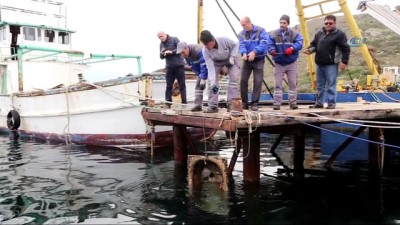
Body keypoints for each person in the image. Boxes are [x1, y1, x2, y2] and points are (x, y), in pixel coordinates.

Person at [303, 14, 350, 109]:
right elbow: (314, 45)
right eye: (326, 23)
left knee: (331, 84)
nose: (328, 25)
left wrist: (344, 62)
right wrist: (309, 50)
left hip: (331, 64)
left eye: (330, 23)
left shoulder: (340, 35)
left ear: (335, 23)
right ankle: (319, 103)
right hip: (319, 63)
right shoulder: (319, 33)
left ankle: (331, 103)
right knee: (320, 85)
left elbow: (346, 48)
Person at [267, 14, 304, 110]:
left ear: (288, 24)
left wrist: (292, 48)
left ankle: (293, 103)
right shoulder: (273, 34)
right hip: (279, 63)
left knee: (292, 83)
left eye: (284, 23)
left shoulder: (295, 33)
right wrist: (271, 50)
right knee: (277, 84)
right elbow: (269, 43)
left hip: (291, 63)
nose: (282, 24)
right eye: (280, 22)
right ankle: (277, 104)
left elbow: (300, 43)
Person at [200, 30, 240, 113]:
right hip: (216, 62)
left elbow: (236, 44)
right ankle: (213, 106)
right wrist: (213, 82)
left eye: (207, 44)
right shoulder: (205, 51)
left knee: (234, 80)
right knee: (212, 83)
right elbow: (210, 68)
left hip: (230, 58)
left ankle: (231, 104)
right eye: (204, 44)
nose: (206, 46)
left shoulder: (224, 40)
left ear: (212, 41)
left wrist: (232, 57)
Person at [238, 16, 269, 111]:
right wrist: (243, 53)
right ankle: (245, 103)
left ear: (249, 23)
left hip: (259, 59)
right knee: (243, 80)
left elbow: (264, 43)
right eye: (241, 25)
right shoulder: (241, 34)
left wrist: (254, 52)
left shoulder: (261, 30)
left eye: (244, 25)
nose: (243, 27)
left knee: (258, 81)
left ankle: (255, 103)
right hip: (247, 60)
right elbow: (241, 45)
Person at [157, 31, 187, 107]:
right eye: (159, 37)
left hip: (179, 66)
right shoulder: (161, 44)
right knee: (168, 86)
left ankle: (184, 103)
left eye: (161, 36)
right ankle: (168, 103)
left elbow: (181, 49)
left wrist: (171, 52)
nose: (161, 38)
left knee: (182, 85)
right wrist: (162, 54)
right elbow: (161, 58)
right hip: (169, 67)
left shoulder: (174, 39)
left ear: (165, 34)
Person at [176, 41, 208, 112]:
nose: (181, 55)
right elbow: (194, 67)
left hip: (211, 66)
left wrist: (203, 78)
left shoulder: (199, 50)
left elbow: (204, 64)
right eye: (180, 53)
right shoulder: (187, 56)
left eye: (182, 52)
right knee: (198, 86)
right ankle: (198, 106)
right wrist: (200, 76)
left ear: (186, 48)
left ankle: (213, 106)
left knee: (213, 86)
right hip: (202, 70)